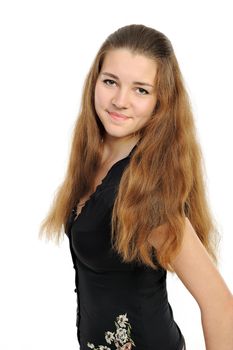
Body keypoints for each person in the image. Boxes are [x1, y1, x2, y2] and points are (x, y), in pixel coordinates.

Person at [39, 24, 233, 350]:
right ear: (94, 82)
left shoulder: (149, 192)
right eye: (111, 82)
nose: (120, 101)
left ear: (162, 101)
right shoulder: (94, 160)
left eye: (141, 90)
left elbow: (220, 305)